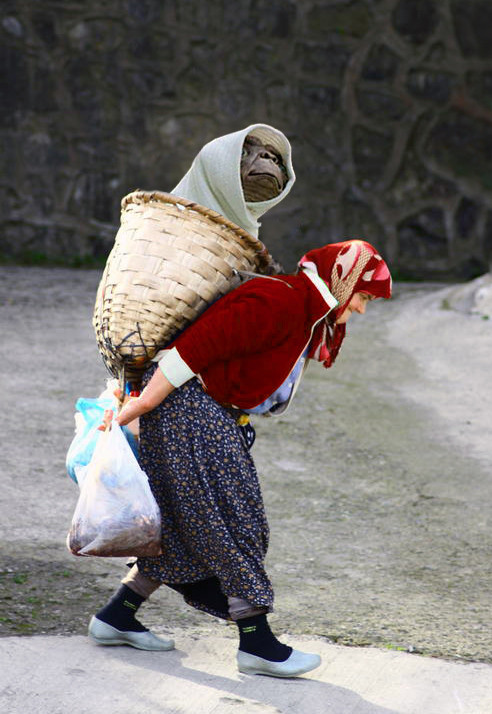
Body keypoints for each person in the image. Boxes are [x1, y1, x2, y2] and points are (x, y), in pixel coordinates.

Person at [88, 238, 392, 678]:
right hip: (186, 409)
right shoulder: (280, 300)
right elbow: (192, 350)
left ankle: (117, 615)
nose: (362, 309)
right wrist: (140, 406)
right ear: (341, 281)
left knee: (188, 521)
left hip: (207, 413)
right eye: (363, 295)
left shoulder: (302, 311)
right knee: (231, 522)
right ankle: (256, 642)